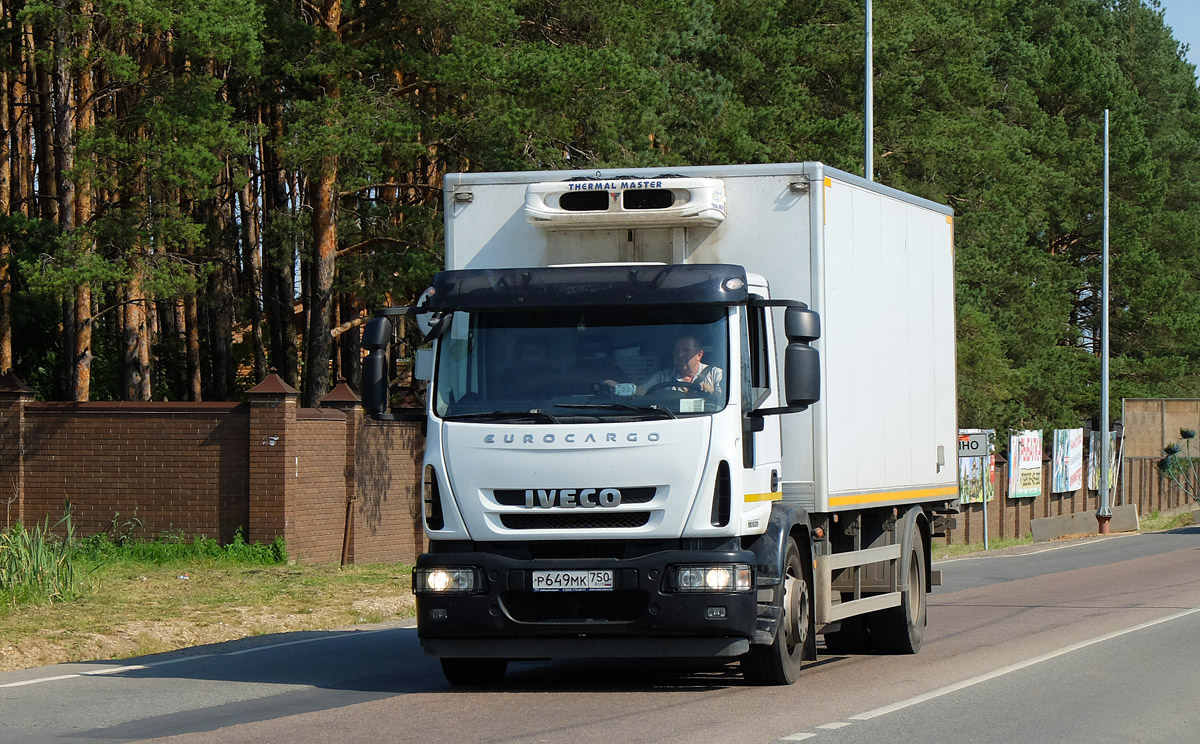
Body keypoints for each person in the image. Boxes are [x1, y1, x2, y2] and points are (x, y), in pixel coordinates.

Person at [638, 334, 723, 397]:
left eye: (686, 351)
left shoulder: (715, 374)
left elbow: (725, 400)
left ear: (699, 355)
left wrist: (712, 392)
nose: (680, 355)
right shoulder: (663, 377)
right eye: (677, 351)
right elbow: (640, 392)